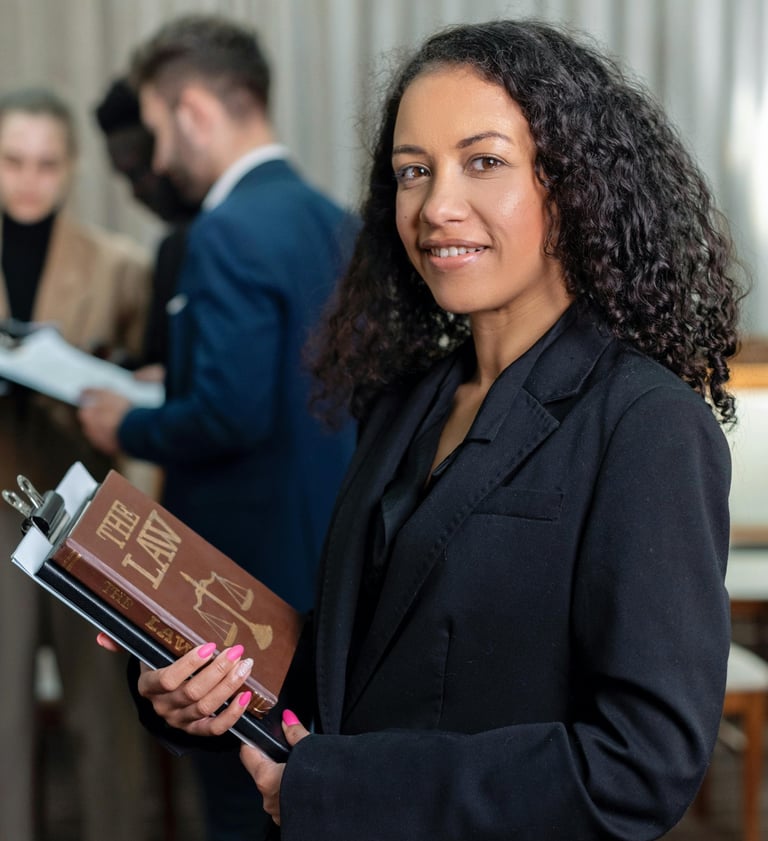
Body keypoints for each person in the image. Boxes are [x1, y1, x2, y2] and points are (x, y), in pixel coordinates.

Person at [114, 18, 746, 841]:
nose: (438, 206)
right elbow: (361, 661)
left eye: (483, 161)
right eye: (414, 172)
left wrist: (339, 789)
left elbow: (638, 766)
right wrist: (205, 685)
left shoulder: (648, 424)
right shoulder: (407, 400)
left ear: (574, 183)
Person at [78, 15, 357, 841]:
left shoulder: (224, 231)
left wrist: (127, 418)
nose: (157, 160)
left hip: (237, 590)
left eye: (158, 132)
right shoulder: (334, 220)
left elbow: (229, 416)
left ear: (194, 111)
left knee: (244, 801)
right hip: (328, 568)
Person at [0, 87, 151, 841]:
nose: (29, 179)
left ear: (71, 169)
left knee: (103, 702)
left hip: (86, 505)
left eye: (47, 164)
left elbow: (156, 382)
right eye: (13, 161)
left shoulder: (118, 266)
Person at [94, 76, 200, 369]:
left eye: (139, 172)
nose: (136, 191)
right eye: (127, 178)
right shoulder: (173, 246)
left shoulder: (194, 243)